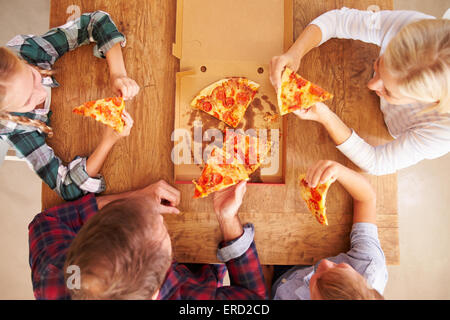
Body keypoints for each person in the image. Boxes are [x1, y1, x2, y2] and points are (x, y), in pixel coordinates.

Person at [270, 8, 450, 175]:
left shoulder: (442, 133)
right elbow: (337, 20)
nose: (371, 85)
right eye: (380, 63)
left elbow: (377, 163)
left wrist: (325, 116)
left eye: (388, 91)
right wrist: (295, 52)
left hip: (383, 130)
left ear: (433, 101)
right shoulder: (415, 31)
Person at [28, 180, 267, 300]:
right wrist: (228, 220)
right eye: (162, 229)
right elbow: (254, 301)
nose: (156, 216)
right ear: (154, 292)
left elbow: (46, 222)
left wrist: (133, 198)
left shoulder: (56, 273)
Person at [0, 11, 139, 200]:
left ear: (18, 59)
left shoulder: (27, 51)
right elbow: (66, 187)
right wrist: (108, 140)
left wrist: (118, 74)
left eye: (33, 76)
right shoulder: (14, 129)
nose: (40, 92)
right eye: (27, 101)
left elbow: (96, 22)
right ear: (6, 113)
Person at [269, 160, 387, 300]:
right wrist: (338, 171)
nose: (324, 262)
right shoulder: (369, 265)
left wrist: (264, 277)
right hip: (295, 266)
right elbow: (366, 199)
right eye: (341, 267)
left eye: (317, 280)